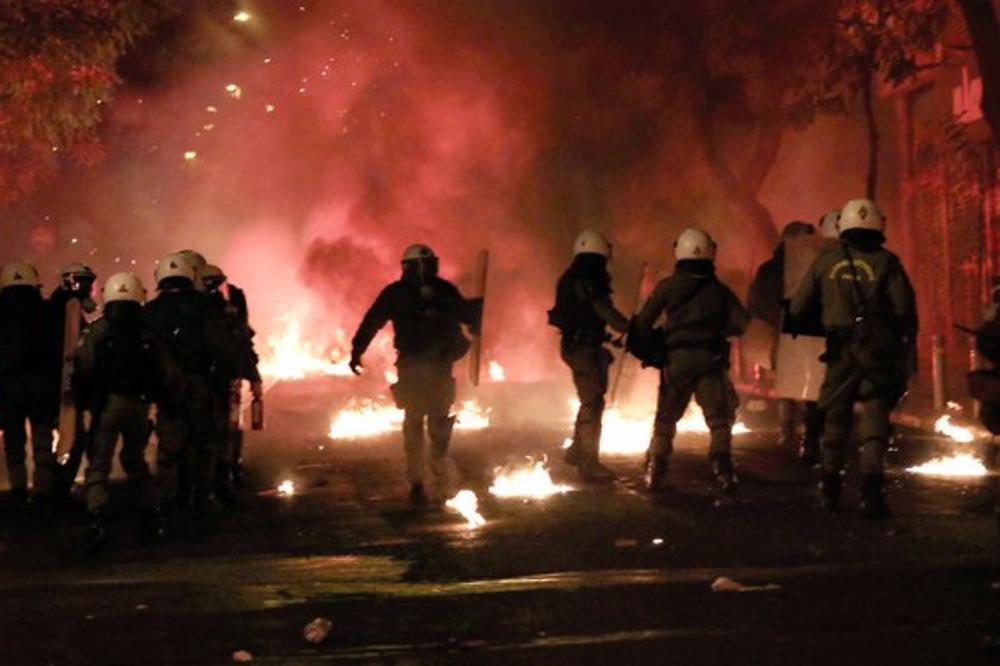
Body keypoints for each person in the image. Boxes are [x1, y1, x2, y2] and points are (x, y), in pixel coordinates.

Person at [790, 198, 917, 517]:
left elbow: (797, 307)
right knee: (875, 420)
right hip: (877, 354)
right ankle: (872, 493)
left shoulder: (824, 261)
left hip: (840, 354)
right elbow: (904, 310)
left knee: (835, 419)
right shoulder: (888, 263)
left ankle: (830, 488)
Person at [349, 244, 482, 505]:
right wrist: (357, 349)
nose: (429, 270)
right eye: (425, 265)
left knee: (434, 421)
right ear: (410, 267)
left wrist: (476, 311)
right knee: (419, 421)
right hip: (415, 366)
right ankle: (420, 477)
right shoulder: (399, 293)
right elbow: (372, 321)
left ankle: (432, 473)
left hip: (436, 365)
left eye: (431, 264)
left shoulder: (439, 291)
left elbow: (464, 313)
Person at [633, 228, 749, 494]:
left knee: (667, 417)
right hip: (710, 359)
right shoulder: (720, 291)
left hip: (677, 361)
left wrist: (649, 347)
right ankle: (724, 470)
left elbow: (642, 323)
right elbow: (742, 324)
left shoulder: (667, 286)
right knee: (719, 418)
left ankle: (656, 468)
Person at [74, 272, 181, 553]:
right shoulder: (149, 332)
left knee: (98, 464)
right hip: (140, 404)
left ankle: (98, 521)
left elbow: (83, 366)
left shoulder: (98, 330)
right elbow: (167, 371)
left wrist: (83, 399)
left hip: (108, 404)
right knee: (135, 460)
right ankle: (153, 517)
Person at [145, 253, 241, 516]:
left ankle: (168, 503)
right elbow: (219, 344)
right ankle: (202, 498)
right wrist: (239, 371)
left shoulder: (151, 311)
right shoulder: (203, 307)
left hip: (167, 389)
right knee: (205, 443)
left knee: (169, 448)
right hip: (200, 385)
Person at [548, 230, 629, 482]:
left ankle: (576, 450)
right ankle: (588, 462)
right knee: (592, 402)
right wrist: (629, 328)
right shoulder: (589, 277)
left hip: (577, 344)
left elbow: (582, 316)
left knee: (589, 399)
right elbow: (603, 309)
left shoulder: (571, 276)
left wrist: (605, 337)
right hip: (584, 348)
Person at [747, 221, 824, 463]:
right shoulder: (816, 266)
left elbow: (756, 304)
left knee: (787, 386)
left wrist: (776, 321)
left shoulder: (768, 270)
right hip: (812, 334)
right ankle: (810, 440)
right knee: (813, 388)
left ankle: (786, 433)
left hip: (783, 336)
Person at [0, 261, 61, 524]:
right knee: (42, 445)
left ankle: (17, 496)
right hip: (40, 386)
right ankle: (41, 499)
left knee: (14, 446)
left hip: (7, 388)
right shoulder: (45, 311)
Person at [201, 263, 262, 499]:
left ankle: (221, 478)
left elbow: (242, 341)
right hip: (222, 378)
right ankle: (226, 476)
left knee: (226, 428)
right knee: (228, 429)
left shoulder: (210, 309)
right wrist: (254, 377)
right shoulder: (224, 309)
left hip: (214, 380)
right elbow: (242, 343)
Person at [49, 262, 98, 501]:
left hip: (56, 385)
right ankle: (59, 489)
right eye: (88, 284)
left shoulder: (58, 305)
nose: (91, 291)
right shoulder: (69, 307)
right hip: (65, 388)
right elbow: (74, 350)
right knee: (72, 439)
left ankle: (52, 487)